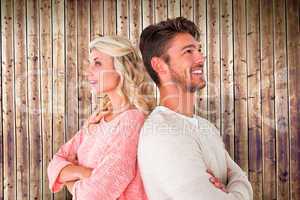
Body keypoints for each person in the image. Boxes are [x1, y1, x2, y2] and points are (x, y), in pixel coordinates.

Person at [138, 17, 253, 200]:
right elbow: (241, 182)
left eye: (199, 50)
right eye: (188, 51)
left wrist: (232, 189)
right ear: (159, 65)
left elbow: (240, 177)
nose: (201, 58)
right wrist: (236, 190)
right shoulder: (163, 133)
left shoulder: (205, 126)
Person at [47, 36, 155, 200]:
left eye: (97, 63)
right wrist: (82, 172)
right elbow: (56, 161)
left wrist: (70, 180)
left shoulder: (133, 120)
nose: (88, 71)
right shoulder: (98, 118)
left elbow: (93, 195)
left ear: (121, 69)